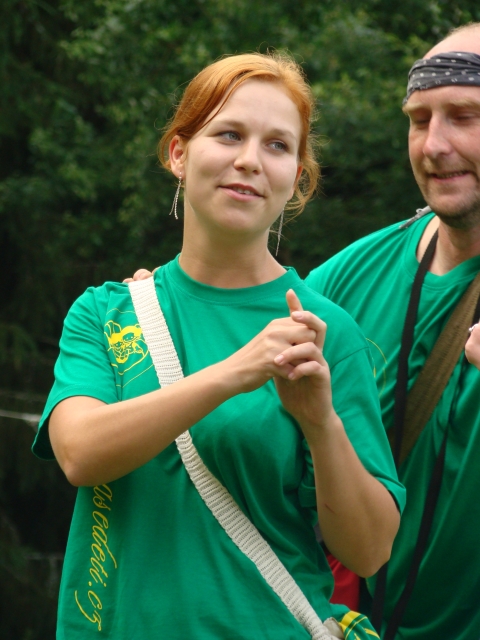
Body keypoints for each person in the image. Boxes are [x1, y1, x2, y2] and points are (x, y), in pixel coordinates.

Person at [32, 53, 404, 639]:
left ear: (296, 178)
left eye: (277, 146)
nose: (250, 160)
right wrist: (236, 371)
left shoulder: (324, 331)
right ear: (178, 154)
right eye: (229, 134)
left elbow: (370, 549)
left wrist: (320, 422)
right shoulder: (105, 314)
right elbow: (80, 453)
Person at [305, 23, 480, 640]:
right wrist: (159, 306)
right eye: (418, 119)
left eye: (464, 116)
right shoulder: (346, 279)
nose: (434, 145)